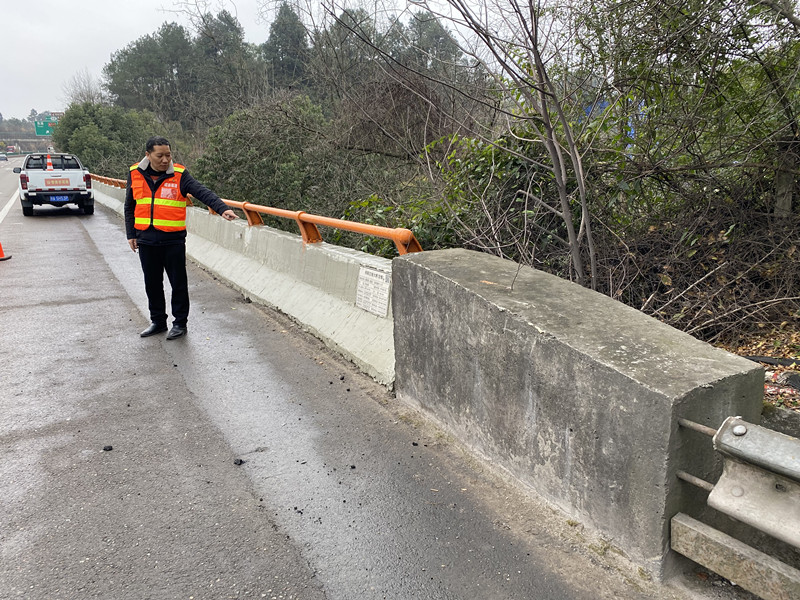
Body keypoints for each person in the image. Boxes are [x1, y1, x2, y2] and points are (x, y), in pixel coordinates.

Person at [125, 136, 237, 340]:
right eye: (160, 156)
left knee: (178, 283)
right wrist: (131, 234)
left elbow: (202, 192)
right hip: (146, 239)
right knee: (152, 283)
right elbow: (129, 206)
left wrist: (222, 209)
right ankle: (158, 321)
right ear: (148, 155)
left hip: (173, 241)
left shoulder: (179, 175)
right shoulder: (135, 173)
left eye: (168, 155)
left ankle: (180, 323)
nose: (165, 160)